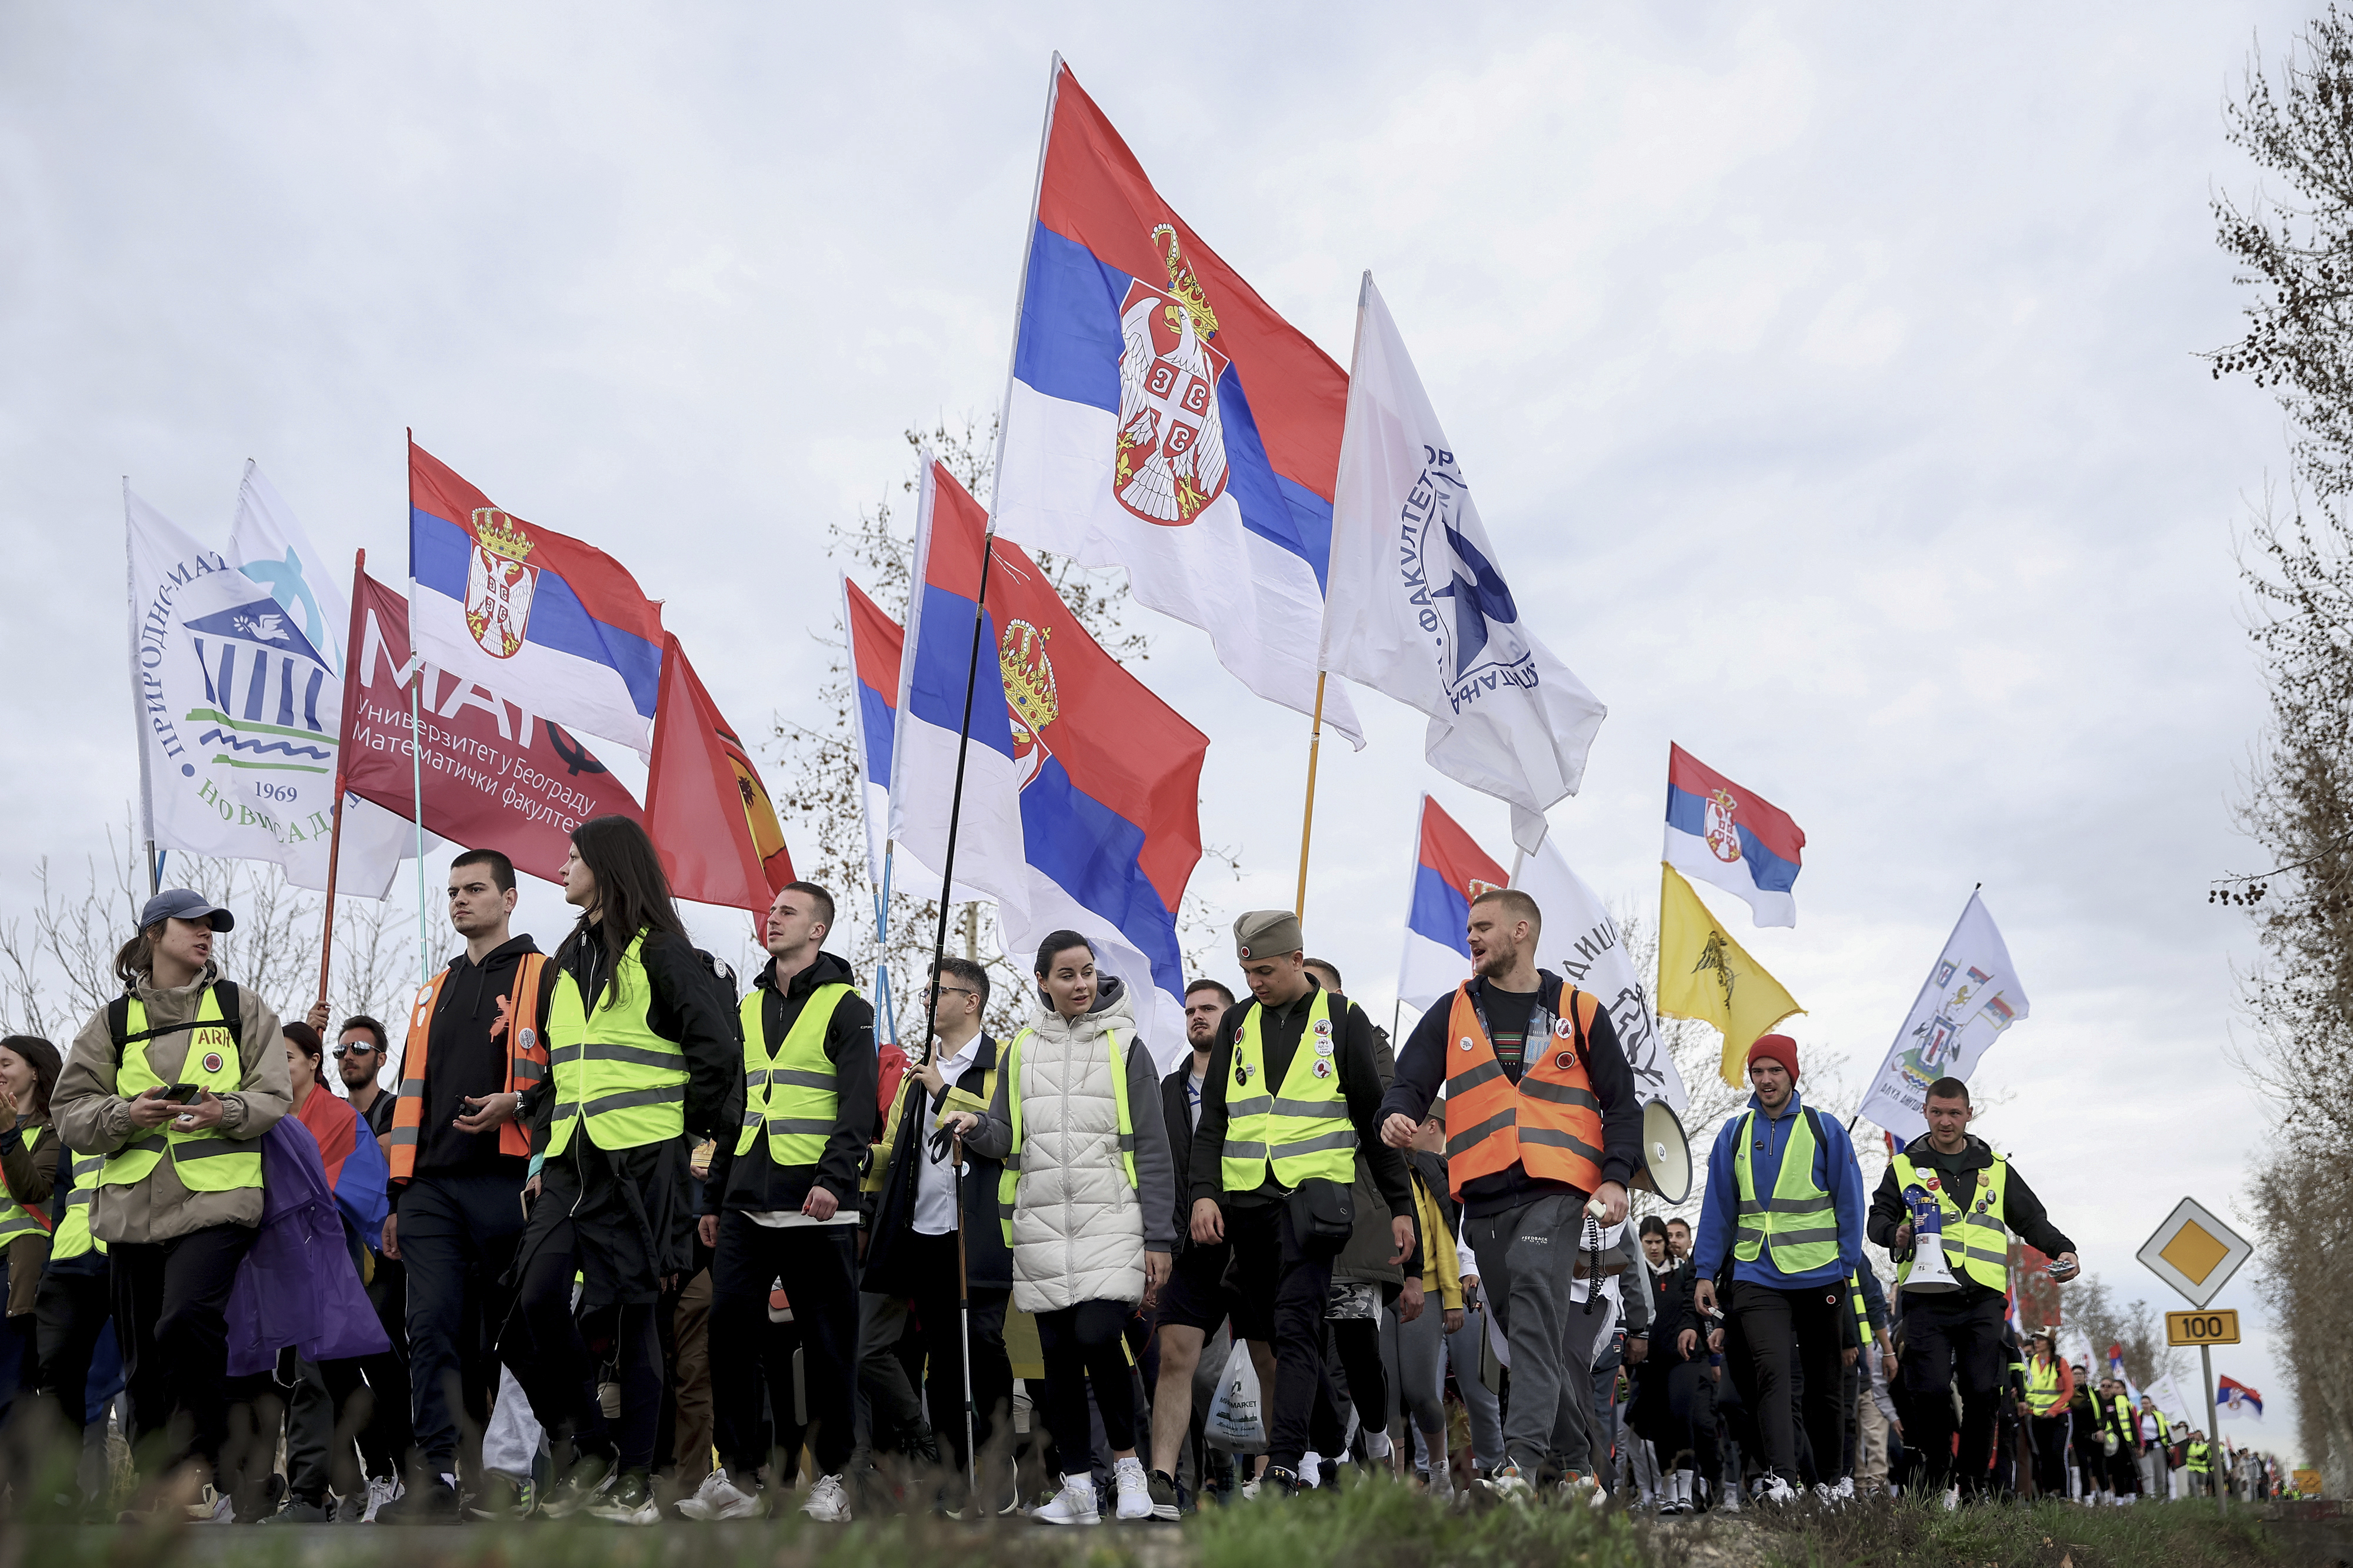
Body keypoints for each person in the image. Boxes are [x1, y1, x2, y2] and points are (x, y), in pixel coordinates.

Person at [504, 816, 737, 1525]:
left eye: (573, 857)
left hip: (643, 1166)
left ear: (606, 867)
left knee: (639, 1324)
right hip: (572, 1166)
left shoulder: (664, 953)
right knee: (527, 1308)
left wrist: (680, 1127)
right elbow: (561, 1072)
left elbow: (720, 1057)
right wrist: (539, 1137)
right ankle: (591, 1443)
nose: (562, 866)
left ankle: (636, 1479)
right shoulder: (565, 958)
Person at [1377, 888, 1642, 1503]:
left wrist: (1615, 1174)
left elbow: (1622, 1104)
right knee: (1531, 1337)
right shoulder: (1452, 1011)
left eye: (1482, 926)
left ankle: (1519, 1468)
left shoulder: (1579, 1009)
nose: (1470, 937)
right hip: (1484, 1200)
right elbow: (1409, 1081)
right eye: (1469, 928)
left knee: (1529, 1290)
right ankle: (1580, 1472)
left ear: (1522, 929)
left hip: (1559, 1190)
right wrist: (1395, 1115)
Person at [52, 888, 291, 1520]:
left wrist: (225, 1108)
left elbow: (273, 1094)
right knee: (142, 1356)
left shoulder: (241, 1007)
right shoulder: (112, 1021)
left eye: (213, 925)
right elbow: (69, 1114)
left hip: (219, 1201)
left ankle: (199, 1470)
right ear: (154, 933)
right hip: (131, 1209)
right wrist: (125, 1113)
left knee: (183, 1320)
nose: (206, 932)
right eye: (192, 923)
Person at [951, 930, 1175, 1526]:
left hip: (1113, 1220)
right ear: (1042, 982)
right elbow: (1005, 1135)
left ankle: (1127, 1467)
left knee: (1099, 1335)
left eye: (1087, 972)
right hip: (1042, 1223)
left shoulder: (1127, 1045)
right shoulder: (1020, 1049)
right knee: (1055, 1356)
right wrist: (975, 1126)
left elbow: (1153, 1147)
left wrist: (1159, 1237)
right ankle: (1077, 1486)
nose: (1081, 984)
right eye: (1067, 974)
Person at [1192, 913, 1412, 1499]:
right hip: (1247, 1209)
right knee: (1282, 1336)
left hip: (1314, 1208)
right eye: (1245, 970)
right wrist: (1203, 1193)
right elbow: (1213, 1120)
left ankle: (1286, 1465)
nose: (1254, 980)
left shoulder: (1343, 1019)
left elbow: (1373, 1119)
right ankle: (1327, 1446)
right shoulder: (1237, 1021)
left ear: (1296, 958)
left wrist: (1400, 1205)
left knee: (1296, 1330)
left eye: (1264, 969)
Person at [691, 880, 874, 1523]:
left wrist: (834, 1178)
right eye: (772, 912)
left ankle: (831, 1477)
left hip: (816, 1201)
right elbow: (734, 1107)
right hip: (745, 1197)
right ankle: (739, 1475)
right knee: (728, 1331)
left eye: (787, 913)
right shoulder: (748, 1003)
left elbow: (857, 1107)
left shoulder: (847, 1007)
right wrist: (714, 1194)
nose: (773, 920)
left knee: (827, 1344)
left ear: (817, 930)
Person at [375, 849, 546, 1521]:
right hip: (430, 1187)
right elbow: (410, 1097)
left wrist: (522, 1106)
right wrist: (398, 1192)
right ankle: (437, 1475)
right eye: (451, 891)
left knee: (521, 1332)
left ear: (509, 899)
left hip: (513, 1178)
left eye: (475, 889)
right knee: (430, 1326)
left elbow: (566, 1075)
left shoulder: (546, 975)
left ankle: (515, 1471)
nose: (459, 901)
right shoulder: (429, 991)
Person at [1866, 1076, 2078, 1502]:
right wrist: (1896, 1233)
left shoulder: (1995, 1169)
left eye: (1954, 1113)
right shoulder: (1904, 1167)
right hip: (1926, 1299)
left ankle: (1972, 1482)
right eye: (1938, 1112)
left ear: (1969, 1114)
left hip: (1982, 1300)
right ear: (1925, 1113)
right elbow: (1877, 1222)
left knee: (1984, 1392)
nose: (1946, 1122)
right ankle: (1939, 1470)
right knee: (1928, 1390)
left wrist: (2065, 1249)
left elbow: (2032, 1220)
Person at [859, 955, 1011, 1514]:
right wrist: (851, 1162)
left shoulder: (1002, 1064)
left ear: (971, 1001)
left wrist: (945, 1090)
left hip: (979, 1233)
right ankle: (952, 1471)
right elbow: (897, 1152)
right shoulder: (915, 1074)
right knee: (941, 1362)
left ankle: (997, 1465)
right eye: (926, 992)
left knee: (983, 1348)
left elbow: (1000, 1135)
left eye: (939, 992)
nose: (928, 1002)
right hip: (921, 1229)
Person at [1689, 1035, 1867, 1506]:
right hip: (1755, 1273)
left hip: (1819, 1273)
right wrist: (1705, 1272)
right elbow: (1718, 1210)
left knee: (1824, 1380)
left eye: (1775, 1071)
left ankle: (1830, 1482)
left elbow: (1850, 1203)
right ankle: (1782, 1479)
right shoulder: (1734, 1134)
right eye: (1758, 1071)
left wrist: (1845, 1265)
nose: (1766, 1080)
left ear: (1793, 1075)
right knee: (1770, 1371)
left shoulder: (1825, 1129)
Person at [1146, 977, 1271, 1517]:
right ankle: (1161, 1481)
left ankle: (1268, 1479)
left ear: (1233, 1017)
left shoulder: (1255, 1080)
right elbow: (1152, 1168)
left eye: (1210, 1009)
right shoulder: (1167, 1092)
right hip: (1188, 1244)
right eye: (1192, 1010)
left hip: (1251, 1237)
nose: (1198, 1017)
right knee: (1176, 1357)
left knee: (1267, 1354)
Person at [261, 1021, 385, 1523]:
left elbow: (356, 1188)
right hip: (275, 1269)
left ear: (314, 1062)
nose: (278, 1068)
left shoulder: (338, 1117)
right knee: (293, 1381)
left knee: (316, 1376)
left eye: (288, 1057)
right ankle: (347, 1484)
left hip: (327, 1264)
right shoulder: (262, 1119)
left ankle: (310, 1495)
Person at [2018, 1332, 2072, 1499]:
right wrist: (2024, 1402)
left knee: (2058, 1454)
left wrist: (2053, 1411)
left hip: (2059, 1416)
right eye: (2035, 1340)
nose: (2037, 1343)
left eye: (2041, 1340)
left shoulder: (2059, 1362)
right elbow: (2026, 1387)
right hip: (2036, 1417)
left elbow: (2069, 1391)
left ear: (2049, 1343)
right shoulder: (2028, 1362)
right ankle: (2048, 1493)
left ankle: (2064, 1494)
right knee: (2043, 1456)